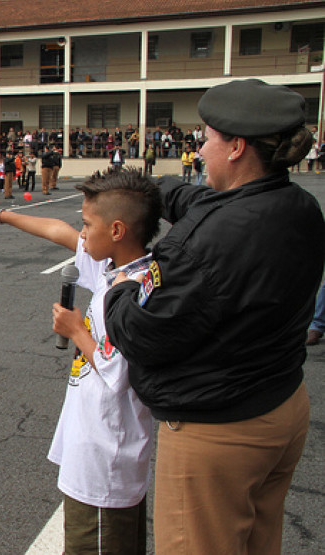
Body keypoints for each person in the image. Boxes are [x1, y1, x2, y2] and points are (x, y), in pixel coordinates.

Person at [103, 79, 324, 554]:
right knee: (258, 543)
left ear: (237, 146)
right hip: (281, 404)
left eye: (207, 138)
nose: (200, 149)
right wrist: (155, 190)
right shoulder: (297, 205)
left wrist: (119, 288)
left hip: (219, 431)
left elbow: (143, 336)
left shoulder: (207, 244)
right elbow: (204, 203)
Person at [0, 167, 160, 555]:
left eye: (87, 224)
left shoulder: (130, 292)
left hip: (106, 456)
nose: (80, 234)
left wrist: (75, 331)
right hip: (97, 447)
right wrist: (3, 216)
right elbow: (57, 231)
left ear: (117, 230)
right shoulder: (118, 268)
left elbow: (119, 370)